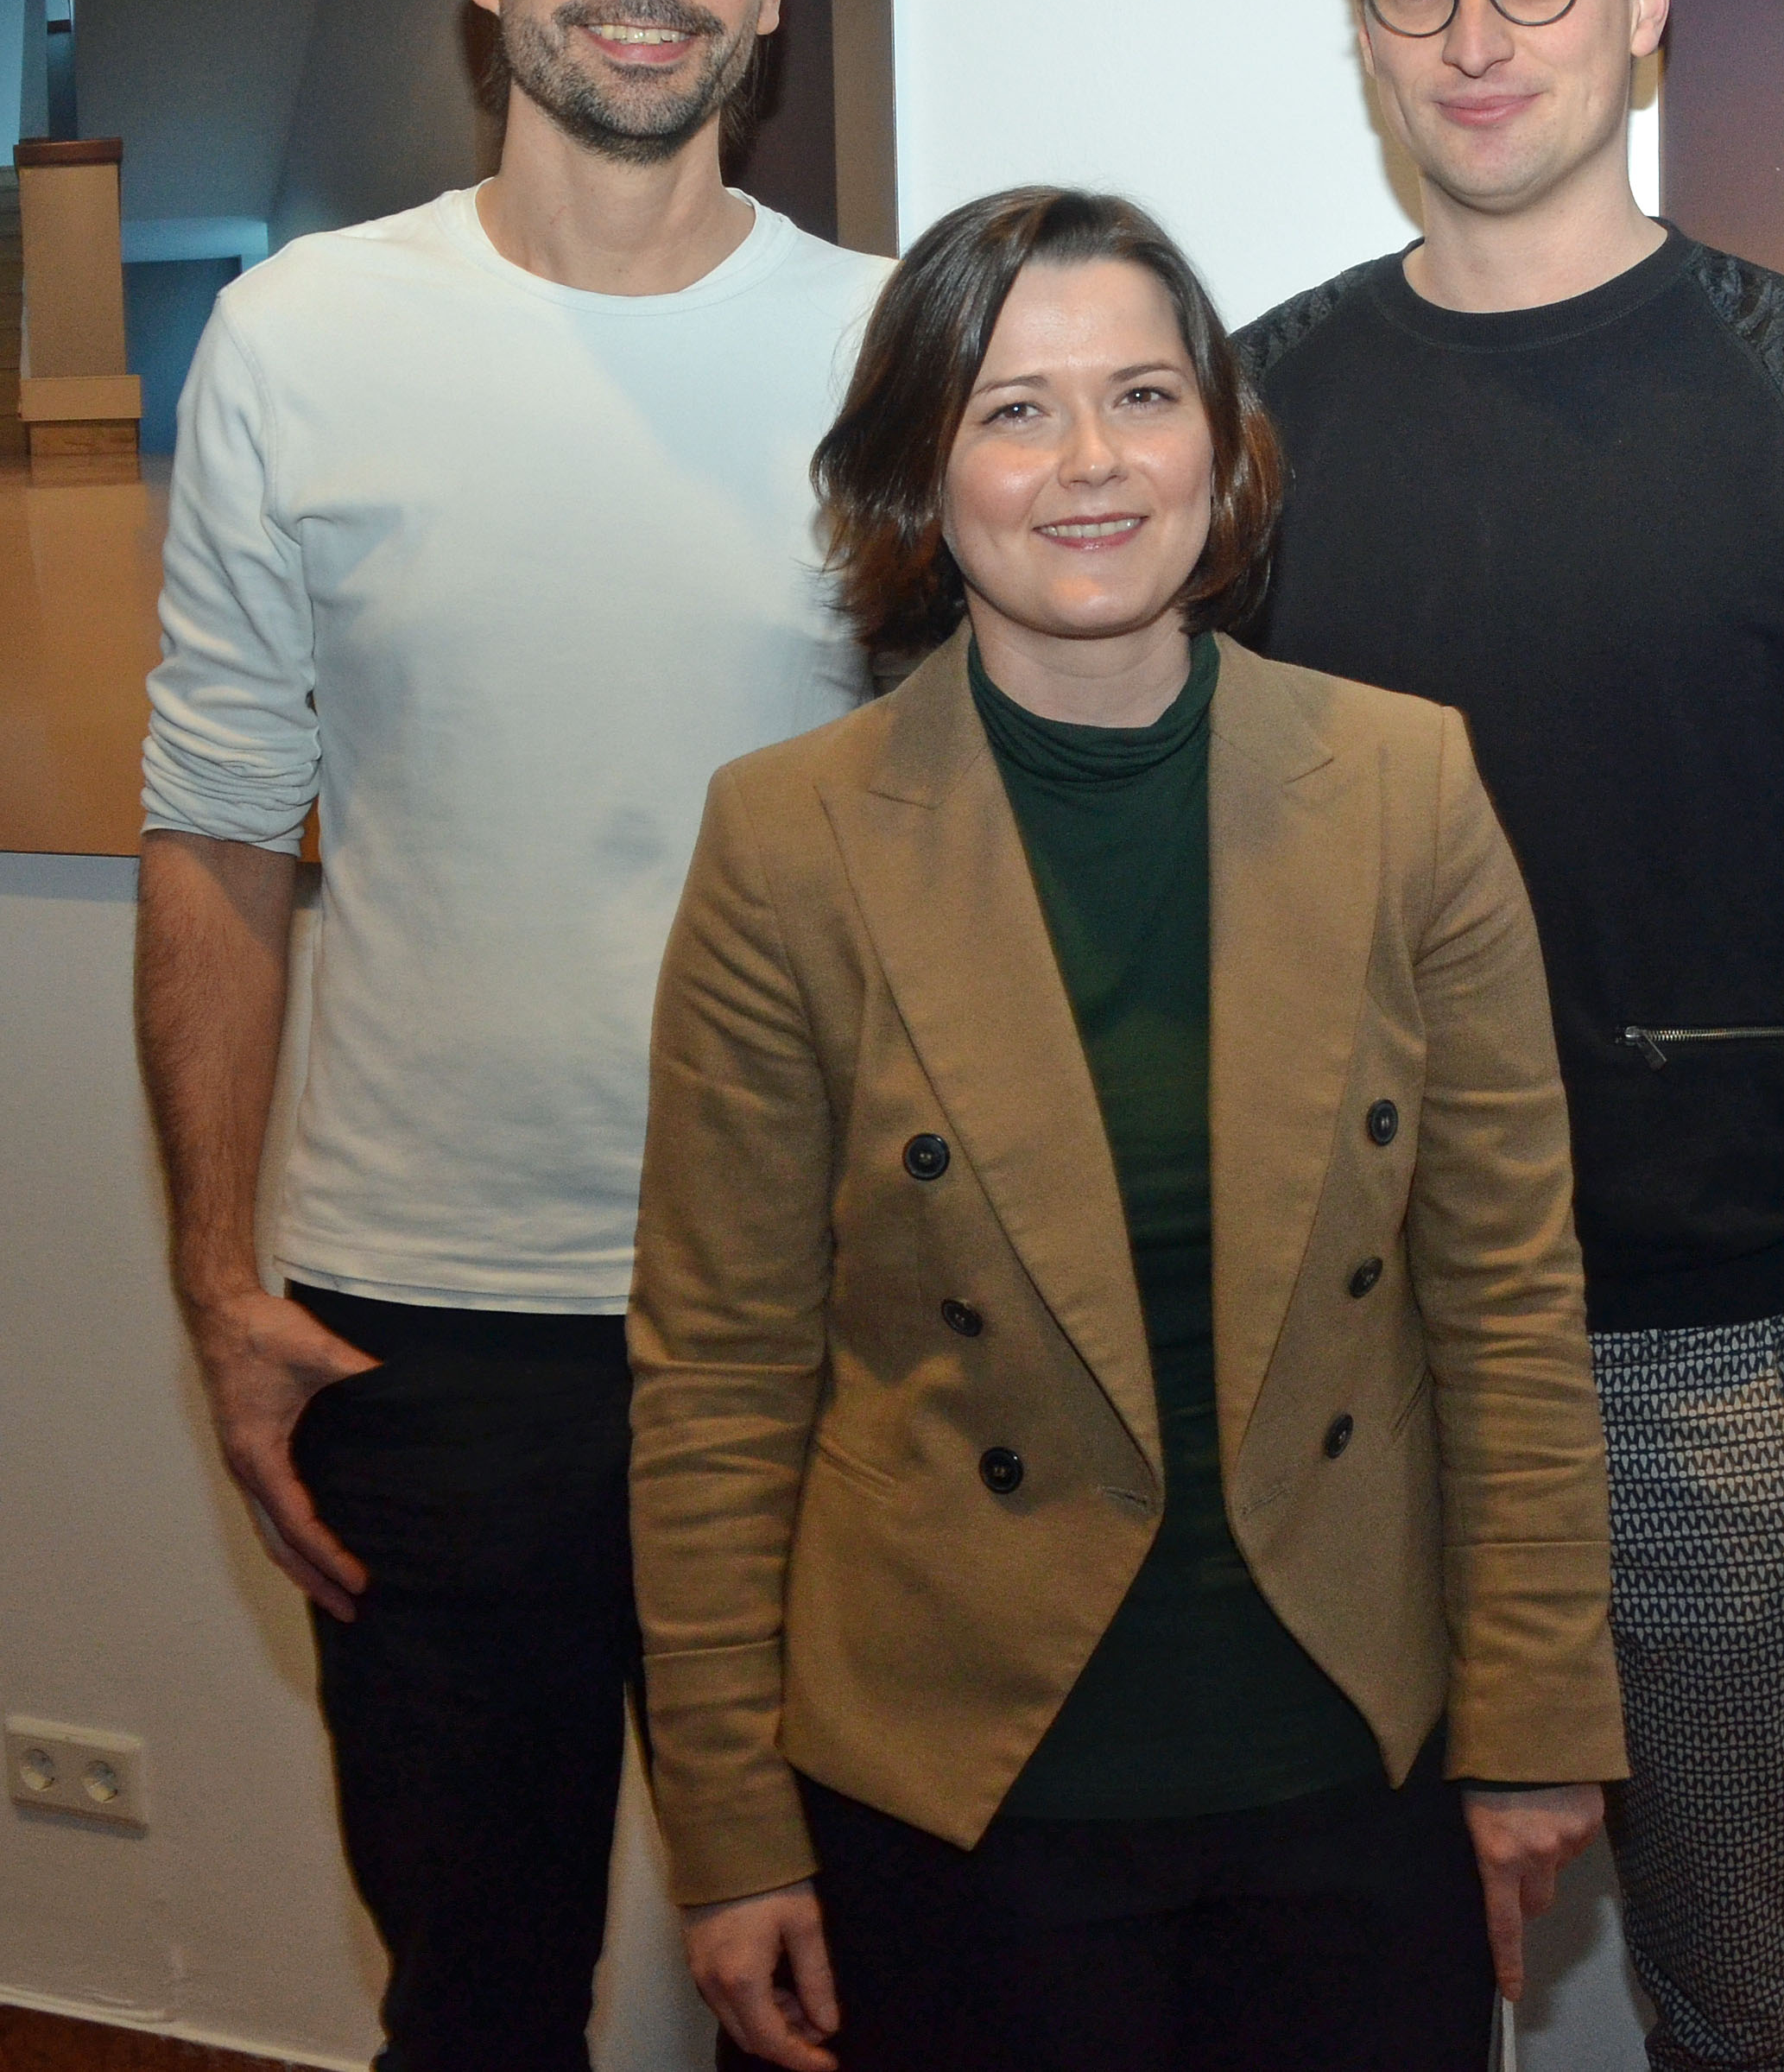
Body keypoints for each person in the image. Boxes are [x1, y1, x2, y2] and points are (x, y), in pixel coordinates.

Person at [629, 186, 1627, 2072]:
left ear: (1222, 444)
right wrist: (731, 1825)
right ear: (920, 471)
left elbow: (1504, 1300)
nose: (1089, 463)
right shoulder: (790, 842)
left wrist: (1532, 1716)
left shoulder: (1406, 786)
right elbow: (719, 1379)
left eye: (1143, 396)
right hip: (963, 1788)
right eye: (1014, 408)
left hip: (1351, 1751)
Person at [133, 0, 892, 2071]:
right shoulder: (299, 340)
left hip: (831, 1318)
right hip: (422, 1338)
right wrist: (221, 1286)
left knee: (856, 1994)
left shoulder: (897, 350)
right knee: (475, 2005)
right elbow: (216, 839)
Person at [1235, 0, 1784, 2072]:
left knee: (1746, 1998)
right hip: (1339, 1368)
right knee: (1350, 1992)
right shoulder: (1251, 411)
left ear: (1644, 0)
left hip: (1715, 1372)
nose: (1478, 28)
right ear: (1359, 26)